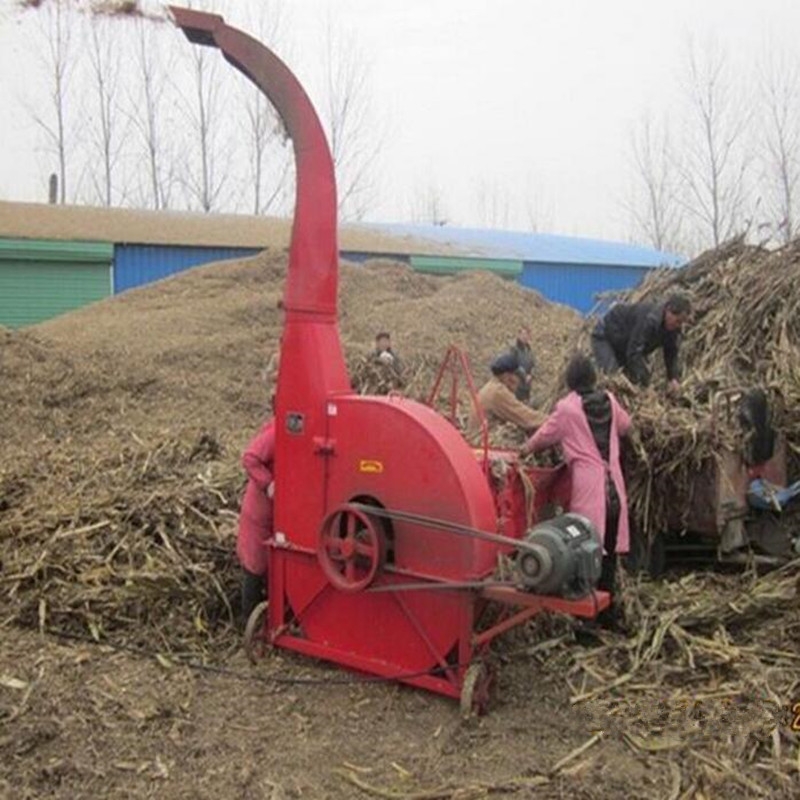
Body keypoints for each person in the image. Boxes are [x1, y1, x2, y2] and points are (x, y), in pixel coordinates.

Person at [519, 354, 631, 613]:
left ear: (570, 380)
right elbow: (627, 426)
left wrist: (524, 450)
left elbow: (544, 436)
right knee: (610, 553)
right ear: (593, 378)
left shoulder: (567, 409)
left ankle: (587, 617)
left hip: (589, 488)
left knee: (586, 552)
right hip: (614, 485)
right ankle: (608, 609)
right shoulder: (610, 401)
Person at [590, 294, 691, 392]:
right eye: (678, 321)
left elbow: (671, 352)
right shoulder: (648, 319)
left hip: (625, 345)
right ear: (669, 311)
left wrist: (673, 378)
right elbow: (634, 352)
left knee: (632, 383)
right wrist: (647, 382)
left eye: (681, 323)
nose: (678, 325)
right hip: (606, 336)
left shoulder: (672, 329)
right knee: (614, 379)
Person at [237, 418, 276, 621]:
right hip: (259, 513)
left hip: (277, 514)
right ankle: (247, 618)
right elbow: (250, 457)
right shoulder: (279, 431)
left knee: (273, 565)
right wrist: (269, 484)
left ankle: (270, 613)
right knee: (255, 566)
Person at [466, 353, 546, 443]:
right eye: (517, 379)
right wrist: (551, 420)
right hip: (482, 442)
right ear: (508, 377)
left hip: (477, 438)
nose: (517, 384)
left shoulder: (491, 386)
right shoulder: (498, 392)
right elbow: (524, 416)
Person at [508, 325, 537, 403]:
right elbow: (514, 364)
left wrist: (532, 374)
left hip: (527, 386)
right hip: (516, 384)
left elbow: (534, 364)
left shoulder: (529, 350)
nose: (525, 337)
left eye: (527, 335)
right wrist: (524, 375)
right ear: (519, 335)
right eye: (523, 334)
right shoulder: (514, 349)